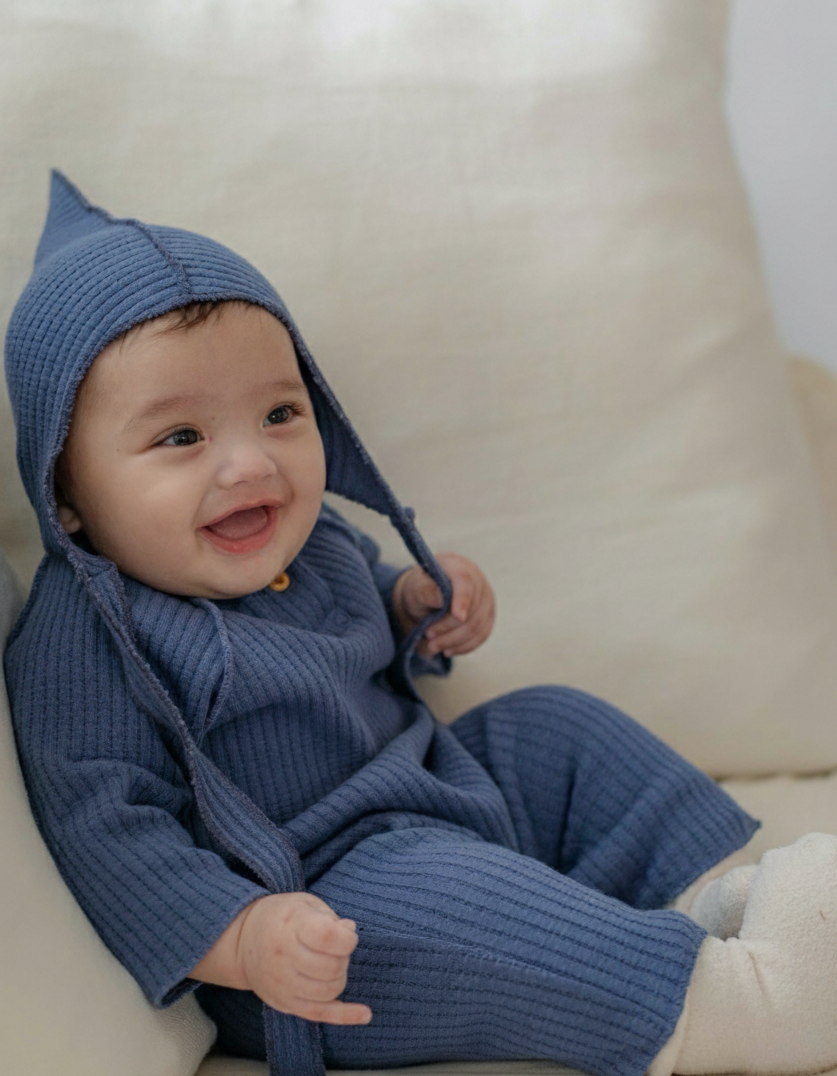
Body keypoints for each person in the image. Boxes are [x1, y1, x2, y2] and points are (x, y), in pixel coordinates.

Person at [6, 171, 837, 1076]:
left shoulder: (317, 539)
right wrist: (242, 940)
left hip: (441, 791)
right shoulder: (86, 636)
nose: (251, 464)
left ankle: (722, 901)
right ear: (66, 491)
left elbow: (368, 614)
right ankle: (744, 1008)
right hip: (319, 910)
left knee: (553, 726)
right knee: (460, 904)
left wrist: (418, 609)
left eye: (280, 413)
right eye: (180, 438)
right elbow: (109, 832)